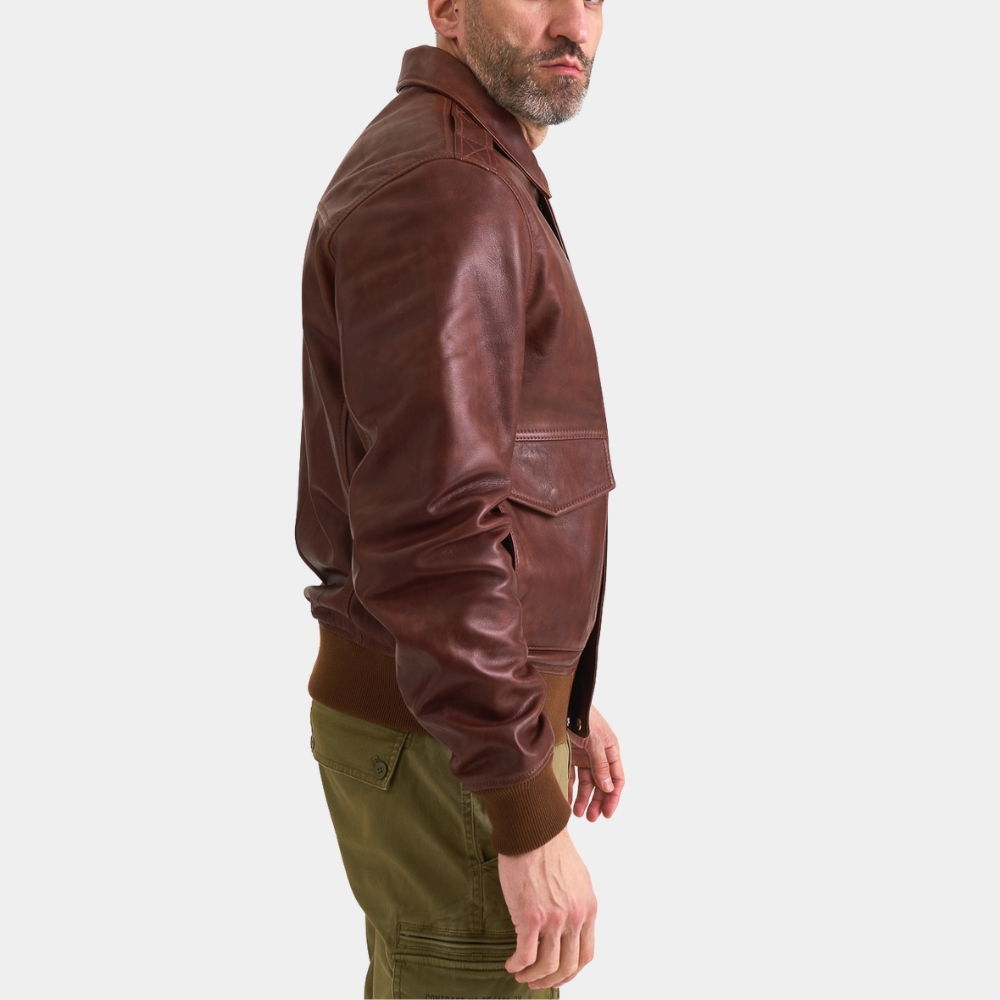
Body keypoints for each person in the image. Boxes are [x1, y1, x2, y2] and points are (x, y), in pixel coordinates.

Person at [296, 2, 624, 996]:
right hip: (449, 750)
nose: (572, 24)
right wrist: (521, 803)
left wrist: (559, 699)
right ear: (445, 8)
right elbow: (436, 531)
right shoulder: (450, 187)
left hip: (457, 727)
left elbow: (499, 484)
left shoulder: (470, 165)